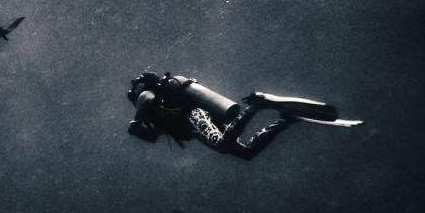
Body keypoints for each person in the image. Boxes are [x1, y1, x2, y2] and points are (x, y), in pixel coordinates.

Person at [125, 72, 298, 160]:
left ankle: (255, 106)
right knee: (246, 153)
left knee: (222, 146)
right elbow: (155, 136)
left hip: (195, 115)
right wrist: (144, 131)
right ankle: (286, 119)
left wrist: (134, 124)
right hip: (195, 122)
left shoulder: (145, 96)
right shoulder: (155, 112)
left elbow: (145, 102)